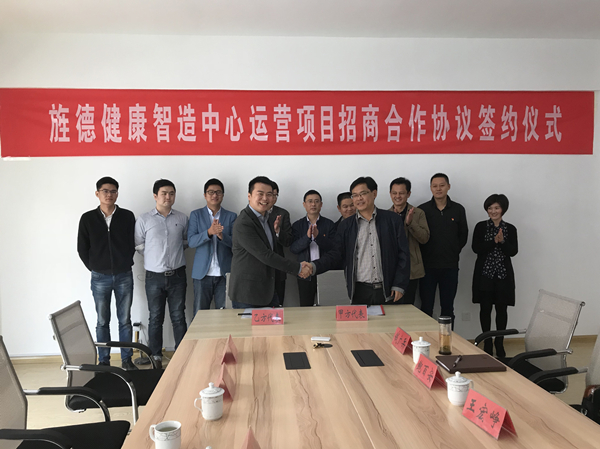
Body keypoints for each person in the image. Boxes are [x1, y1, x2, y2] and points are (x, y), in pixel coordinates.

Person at [310, 176, 410, 305]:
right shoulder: (346, 226)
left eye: (363, 193)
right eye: (355, 195)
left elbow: (403, 254)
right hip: (359, 290)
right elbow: (335, 254)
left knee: (392, 319)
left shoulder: (392, 220)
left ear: (374, 193)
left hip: (389, 289)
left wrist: (399, 284)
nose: (359, 198)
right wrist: (314, 266)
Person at [77, 176, 137, 370]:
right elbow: (82, 248)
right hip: (99, 277)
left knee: (125, 320)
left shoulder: (127, 216)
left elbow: (132, 243)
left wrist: (124, 262)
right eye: (105, 191)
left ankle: (126, 359)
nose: (109, 194)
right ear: (97, 193)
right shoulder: (88, 218)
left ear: (117, 194)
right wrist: (95, 267)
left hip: (123, 275)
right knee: (102, 321)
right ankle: (104, 360)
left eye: (113, 191)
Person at [229, 176, 311, 308]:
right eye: (260, 194)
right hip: (249, 293)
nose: (265, 198)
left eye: (269, 194)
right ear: (249, 196)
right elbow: (265, 255)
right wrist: (298, 268)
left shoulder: (266, 218)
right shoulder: (244, 222)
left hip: (268, 289)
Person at [135, 179, 188, 369]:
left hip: (177, 275)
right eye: (164, 193)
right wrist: (154, 258)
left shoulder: (182, 218)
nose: (168, 197)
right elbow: (139, 245)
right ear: (155, 196)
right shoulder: (144, 219)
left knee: (178, 316)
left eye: (172, 193)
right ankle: (155, 356)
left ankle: (182, 354)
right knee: (155, 317)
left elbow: (185, 242)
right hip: (154, 276)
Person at [472, 194, 518, 358]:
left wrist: (503, 241)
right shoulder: (480, 227)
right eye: (490, 208)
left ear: (503, 209)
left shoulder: (510, 228)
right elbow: (476, 248)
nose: (493, 211)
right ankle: (487, 342)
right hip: (485, 274)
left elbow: (513, 251)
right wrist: (494, 241)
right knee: (485, 309)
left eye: (496, 208)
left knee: (501, 310)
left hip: (503, 276)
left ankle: (499, 342)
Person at [418, 173, 468, 324]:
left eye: (442, 185)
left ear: (448, 186)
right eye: (435, 186)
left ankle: (448, 338)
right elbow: (418, 237)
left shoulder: (458, 209)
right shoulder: (422, 210)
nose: (438, 189)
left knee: (447, 308)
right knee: (426, 307)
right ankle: (426, 337)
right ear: (431, 188)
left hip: (449, 266)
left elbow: (463, 235)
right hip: (427, 267)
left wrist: (453, 250)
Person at [188, 178, 237, 314]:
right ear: (205, 195)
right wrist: (209, 233)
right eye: (211, 192)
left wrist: (222, 236)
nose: (215, 195)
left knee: (225, 315)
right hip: (202, 274)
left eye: (218, 192)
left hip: (224, 274)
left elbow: (237, 245)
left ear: (223, 195)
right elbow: (191, 241)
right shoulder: (196, 215)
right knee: (200, 314)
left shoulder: (232, 216)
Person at [290, 190, 336, 306]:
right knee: (306, 306)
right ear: (304, 204)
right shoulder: (297, 225)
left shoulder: (329, 224)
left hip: (325, 271)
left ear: (321, 204)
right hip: (305, 272)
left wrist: (318, 237)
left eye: (316, 201)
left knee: (327, 306)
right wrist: (307, 237)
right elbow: (294, 248)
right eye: (310, 201)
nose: (313, 204)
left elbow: (333, 248)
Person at [389, 177, 430, 305]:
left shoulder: (418, 213)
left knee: (408, 306)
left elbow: (424, 238)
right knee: (391, 306)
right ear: (390, 194)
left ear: (408, 194)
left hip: (412, 268)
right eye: (394, 193)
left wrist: (410, 223)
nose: (397, 196)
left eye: (401, 193)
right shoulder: (385, 215)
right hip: (391, 268)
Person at [268, 181, 293, 305]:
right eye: (270, 194)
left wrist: (278, 231)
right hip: (258, 269)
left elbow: (288, 241)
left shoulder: (283, 214)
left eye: (275, 195)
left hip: (278, 267)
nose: (272, 198)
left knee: (278, 306)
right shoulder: (252, 214)